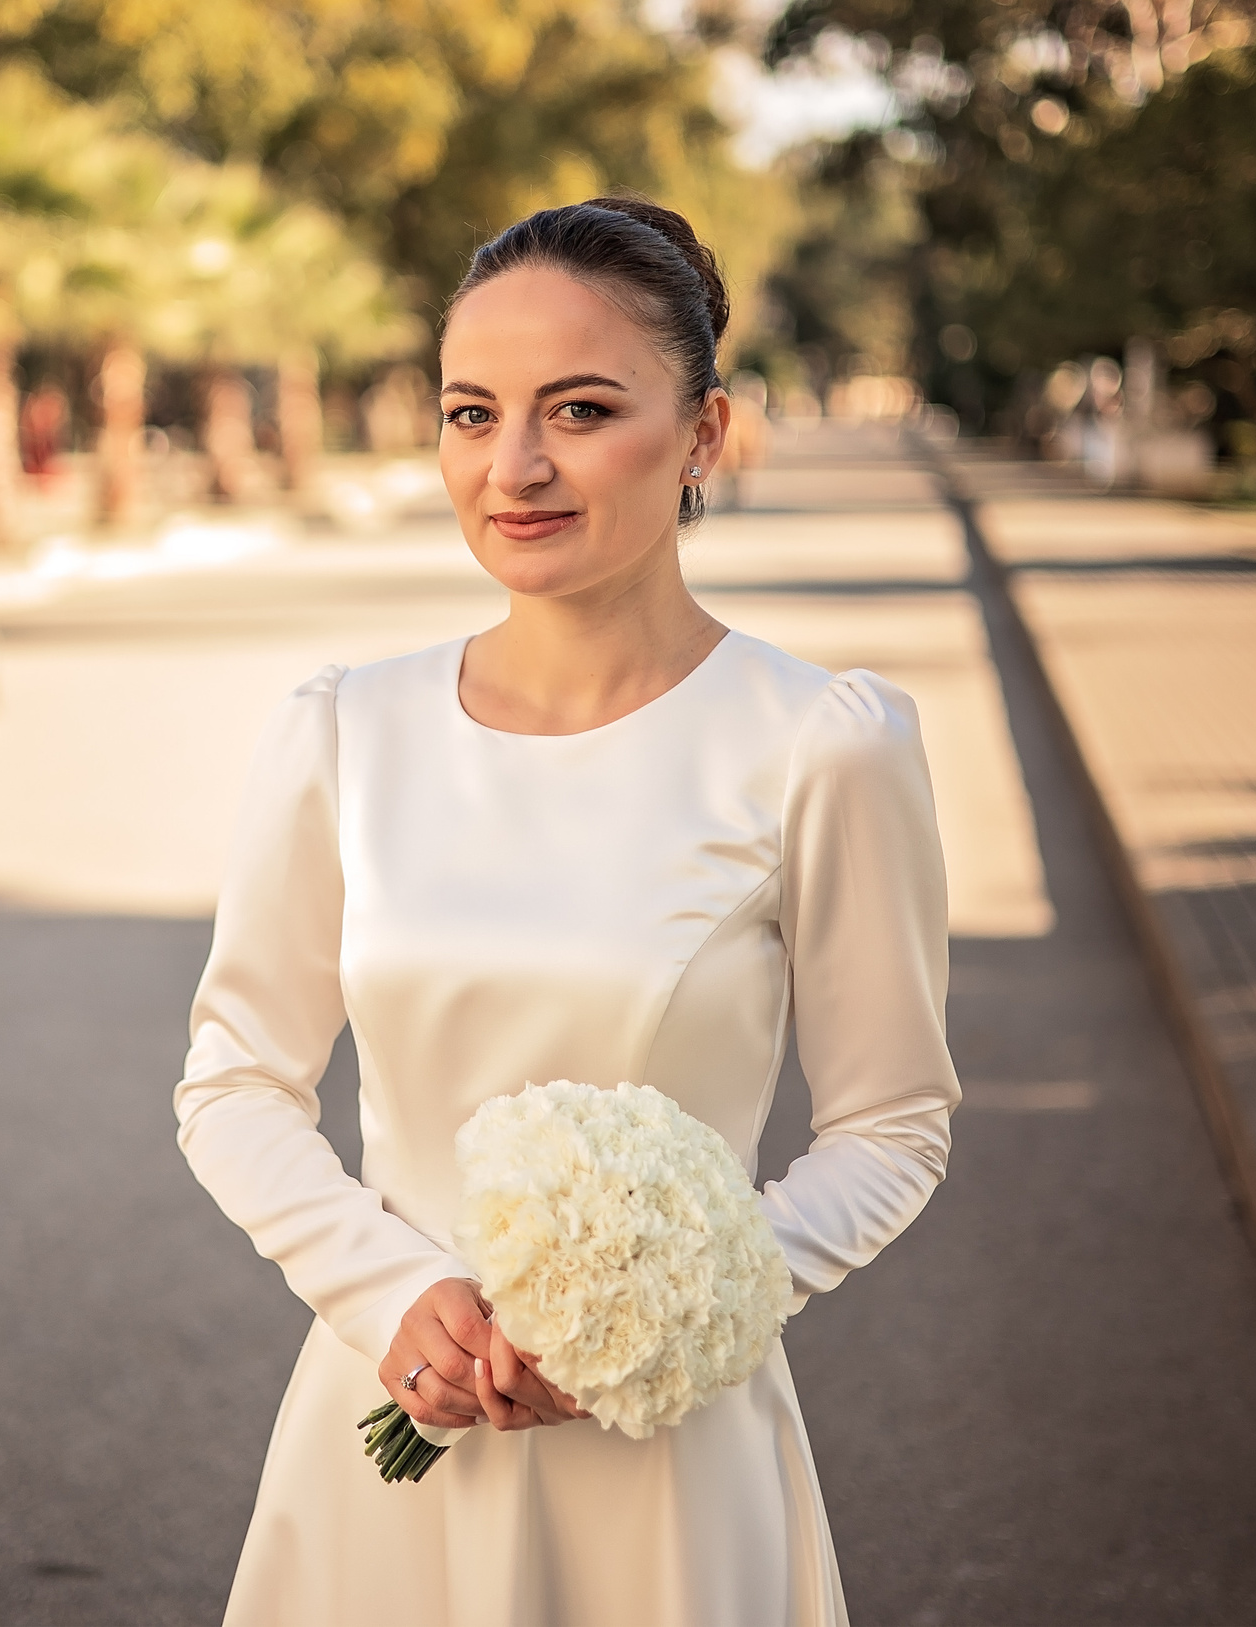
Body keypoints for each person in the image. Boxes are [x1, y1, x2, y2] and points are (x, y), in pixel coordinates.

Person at [175, 198, 959, 1626]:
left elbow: (892, 1123)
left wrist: (678, 1306)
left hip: (671, 1455)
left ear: (706, 432)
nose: (515, 465)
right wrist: (385, 1290)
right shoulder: (347, 731)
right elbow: (234, 1079)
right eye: (472, 413)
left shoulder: (820, 743)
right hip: (392, 1442)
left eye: (582, 409)